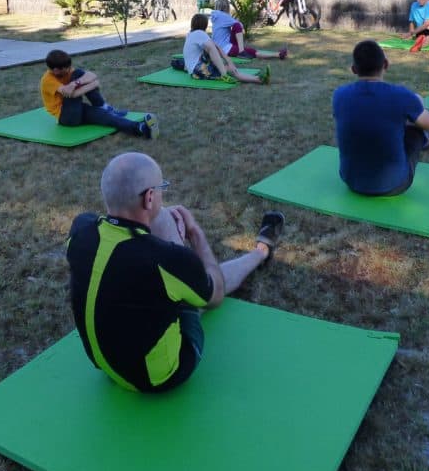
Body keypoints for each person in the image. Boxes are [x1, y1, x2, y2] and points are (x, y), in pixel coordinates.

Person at [66, 151, 285, 393]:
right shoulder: (167, 259)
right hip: (157, 378)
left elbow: (125, 244)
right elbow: (215, 297)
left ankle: (258, 254)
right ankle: (261, 252)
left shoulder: (80, 231)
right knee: (200, 286)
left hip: (104, 364)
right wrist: (193, 235)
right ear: (150, 197)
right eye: (161, 188)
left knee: (167, 267)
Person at [332, 40, 429, 196]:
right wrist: (419, 107)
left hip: (352, 181)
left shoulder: (339, 95)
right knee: (417, 125)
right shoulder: (401, 95)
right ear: (386, 64)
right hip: (393, 184)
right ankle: (424, 139)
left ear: (354, 69)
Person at [40, 49, 158, 138]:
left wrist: (75, 83)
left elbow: (92, 75)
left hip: (77, 109)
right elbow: (71, 95)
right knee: (79, 74)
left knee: (106, 116)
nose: (69, 69)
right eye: (66, 68)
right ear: (55, 70)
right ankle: (103, 106)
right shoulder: (48, 80)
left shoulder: (66, 70)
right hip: (65, 117)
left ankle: (141, 128)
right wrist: (93, 84)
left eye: (69, 67)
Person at [183, 13, 270, 85]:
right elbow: (212, 48)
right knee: (213, 50)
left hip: (197, 70)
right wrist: (227, 61)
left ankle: (258, 79)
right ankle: (224, 75)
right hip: (198, 70)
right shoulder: (199, 33)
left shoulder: (191, 34)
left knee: (230, 69)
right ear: (204, 25)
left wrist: (229, 62)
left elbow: (216, 47)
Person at [209, 0, 288, 60]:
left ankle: (278, 54)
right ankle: (242, 51)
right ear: (226, 7)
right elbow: (240, 25)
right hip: (225, 49)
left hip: (222, 46)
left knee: (249, 49)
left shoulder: (216, 16)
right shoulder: (223, 16)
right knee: (250, 50)